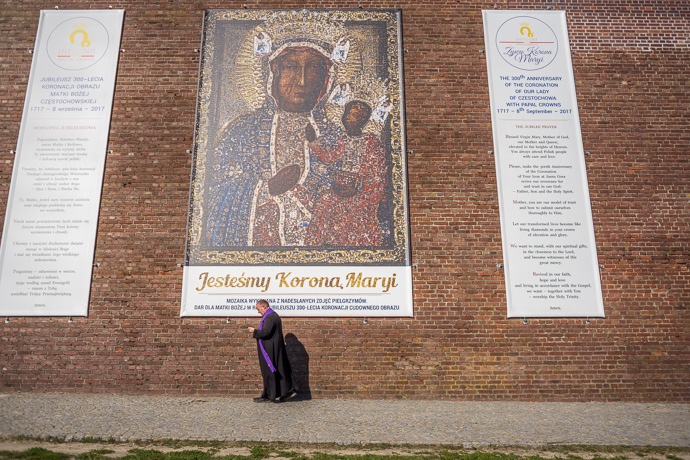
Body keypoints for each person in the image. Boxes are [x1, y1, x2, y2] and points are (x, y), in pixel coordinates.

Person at [205, 42, 339, 247]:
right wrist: (266, 189)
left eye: (313, 68)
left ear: (326, 78)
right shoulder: (243, 131)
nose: (302, 81)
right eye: (291, 67)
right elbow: (210, 196)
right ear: (273, 72)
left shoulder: (336, 137)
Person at [305, 100, 387, 247]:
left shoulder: (372, 142)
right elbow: (330, 157)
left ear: (363, 120)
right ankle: (321, 246)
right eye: (347, 113)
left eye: (354, 115)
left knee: (350, 210)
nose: (349, 117)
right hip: (340, 188)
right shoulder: (343, 139)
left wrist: (358, 188)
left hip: (363, 193)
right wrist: (313, 141)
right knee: (325, 201)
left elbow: (377, 174)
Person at [247, 299, 296, 402]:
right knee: (276, 371)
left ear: (264, 307)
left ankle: (269, 395)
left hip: (269, 351)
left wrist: (254, 331)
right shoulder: (273, 316)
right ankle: (280, 393)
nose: (258, 311)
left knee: (269, 372)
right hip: (272, 348)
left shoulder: (270, 317)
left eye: (258, 309)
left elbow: (265, 333)